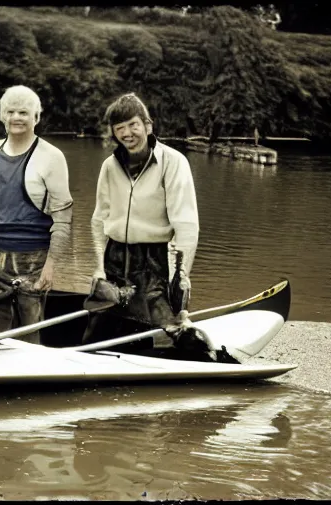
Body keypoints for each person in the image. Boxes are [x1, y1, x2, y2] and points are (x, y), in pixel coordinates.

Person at [83, 92, 237, 363]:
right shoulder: (109, 166)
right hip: (115, 259)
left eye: (133, 125)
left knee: (166, 330)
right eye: (120, 128)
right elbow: (98, 220)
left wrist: (182, 276)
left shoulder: (174, 162)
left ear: (147, 125)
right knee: (98, 333)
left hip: (154, 261)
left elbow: (187, 225)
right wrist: (99, 267)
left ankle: (203, 360)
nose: (127, 133)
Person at [0, 85, 73, 343]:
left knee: (27, 336)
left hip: (31, 261)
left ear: (36, 118)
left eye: (24, 112)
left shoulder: (52, 157)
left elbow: (62, 218)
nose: (16, 117)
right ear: (2, 116)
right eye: (10, 111)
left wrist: (51, 266)